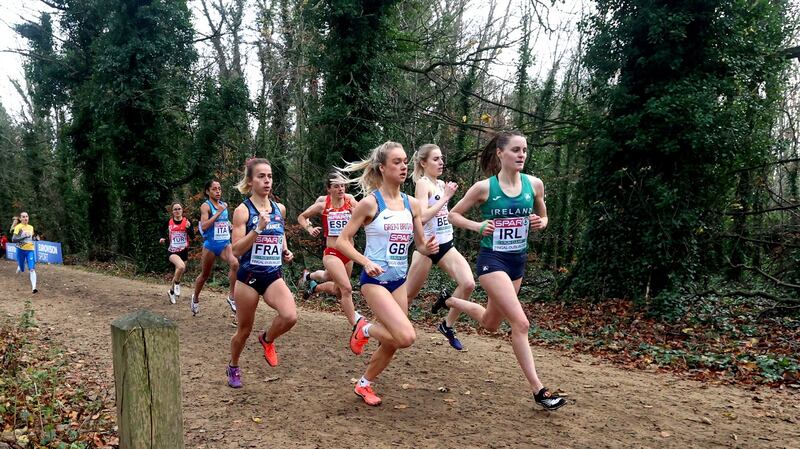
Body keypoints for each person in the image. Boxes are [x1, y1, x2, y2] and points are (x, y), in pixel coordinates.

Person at [442, 131, 567, 411]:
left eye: (524, 150)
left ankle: (449, 301)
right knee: (520, 324)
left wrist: (541, 222)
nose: (522, 154)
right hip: (492, 261)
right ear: (500, 153)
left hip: (517, 262)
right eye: (515, 150)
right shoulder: (484, 188)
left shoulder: (534, 184)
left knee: (490, 322)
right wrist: (478, 226)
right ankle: (539, 390)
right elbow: (453, 214)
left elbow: (544, 215)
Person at [336, 141, 438, 406]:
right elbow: (343, 241)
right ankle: (364, 327)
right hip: (375, 282)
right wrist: (364, 261)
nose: (404, 166)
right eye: (397, 162)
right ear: (382, 168)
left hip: (398, 282)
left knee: (393, 342)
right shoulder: (370, 204)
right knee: (405, 336)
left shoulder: (412, 204)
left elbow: (419, 244)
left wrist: (428, 247)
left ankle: (364, 384)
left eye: (405, 161)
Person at [226, 158, 296, 388]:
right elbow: (235, 250)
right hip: (247, 278)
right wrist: (257, 229)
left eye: (270, 176)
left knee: (290, 316)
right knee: (243, 331)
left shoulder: (279, 209)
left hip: (272, 275)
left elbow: (280, 233)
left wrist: (285, 250)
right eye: (261, 176)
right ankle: (233, 366)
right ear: (250, 181)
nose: (267, 181)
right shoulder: (242, 210)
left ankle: (267, 339)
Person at [405, 144, 476, 351]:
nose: (441, 162)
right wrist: (445, 197)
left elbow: (444, 215)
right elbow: (423, 217)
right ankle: (390, 327)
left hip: (445, 244)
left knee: (468, 283)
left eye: (442, 158)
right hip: (426, 247)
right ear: (423, 163)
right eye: (436, 159)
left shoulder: (442, 184)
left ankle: (447, 325)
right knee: (408, 295)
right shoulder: (422, 184)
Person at [297, 173, 364, 329]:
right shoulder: (323, 205)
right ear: (329, 189)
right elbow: (302, 216)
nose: (340, 189)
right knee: (347, 288)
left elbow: (365, 219)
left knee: (338, 289)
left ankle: (312, 283)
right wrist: (309, 228)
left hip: (348, 252)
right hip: (332, 252)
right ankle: (357, 324)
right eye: (336, 186)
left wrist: (358, 217)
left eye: (342, 185)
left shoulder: (351, 202)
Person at [191, 180, 239, 316]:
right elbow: (204, 226)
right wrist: (218, 213)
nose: (218, 191)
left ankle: (231, 296)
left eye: (219, 189)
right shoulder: (205, 206)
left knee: (235, 264)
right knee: (204, 275)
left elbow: (223, 221)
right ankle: (195, 298)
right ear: (208, 191)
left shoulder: (224, 205)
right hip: (211, 245)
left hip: (225, 243)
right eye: (214, 189)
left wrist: (229, 225)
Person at [159, 202, 195, 304]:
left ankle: (171, 292)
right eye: (175, 209)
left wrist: (188, 228)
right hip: (172, 251)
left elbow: (192, 237)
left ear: (182, 210)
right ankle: (177, 284)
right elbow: (161, 230)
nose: (177, 211)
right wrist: (161, 237)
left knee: (178, 272)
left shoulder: (187, 221)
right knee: (181, 267)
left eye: (179, 209)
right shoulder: (169, 221)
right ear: (172, 212)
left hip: (184, 252)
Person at [11, 212, 38, 293]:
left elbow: (31, 238)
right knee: (22, 269)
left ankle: (34, 288)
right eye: (23, 217)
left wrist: (35, 238)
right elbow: (13, 240)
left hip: (30, 250)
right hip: (20, 250)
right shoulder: (18, 227)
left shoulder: (31, 227)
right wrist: (23, 236)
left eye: (27, 216)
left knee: (32, 269)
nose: (25, 218)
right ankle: (20, 266)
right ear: (21, 218)